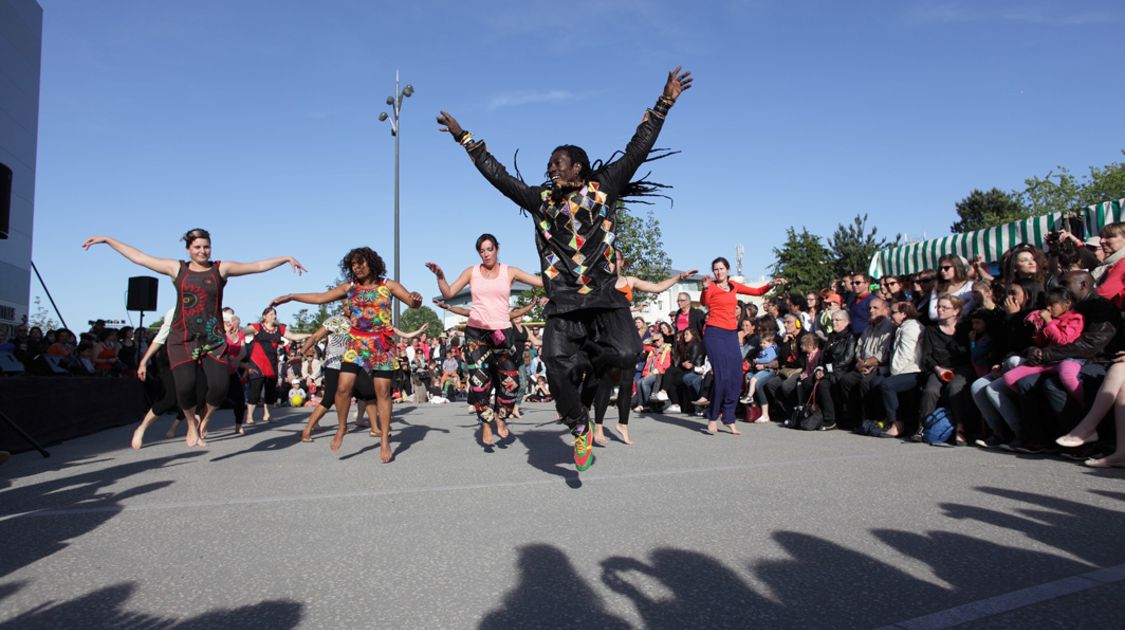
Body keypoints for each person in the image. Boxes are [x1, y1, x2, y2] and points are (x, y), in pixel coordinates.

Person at [436, 66, 692, 470]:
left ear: (578, 167)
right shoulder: (541, 200)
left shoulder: (603, 187)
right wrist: (465, 139)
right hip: (564, 302)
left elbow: (636, 149)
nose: (551, 167)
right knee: (556, 365)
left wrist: (663, 104)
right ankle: (579, 426)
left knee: (627, 353)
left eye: (558, 162)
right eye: (550, 163)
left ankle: (591, 376)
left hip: (606, 299)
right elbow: (499, 177)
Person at [83, 228, 304, 447]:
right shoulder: (177, 268)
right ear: (188, 249)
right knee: (185, 388)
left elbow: (255, 266)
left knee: (219, 387)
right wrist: (108, 240)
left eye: (206, 247)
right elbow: (140, 258)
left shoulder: (220, 269)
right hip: (183, 338)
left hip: (213, 338)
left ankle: (204, 420)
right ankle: (190, 424)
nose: (202, 251)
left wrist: (285, 258)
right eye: (197, 247)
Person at [272, 247, 422, 463]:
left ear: (372, 263)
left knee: (383, 392)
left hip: (381, 344)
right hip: (357, 343)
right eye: (353, 264)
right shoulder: (350, 287)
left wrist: (416, 298)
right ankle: (342, 426)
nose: (357, 267)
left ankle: (384, 441)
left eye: (361, 263)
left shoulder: (387, 285)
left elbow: (412, 302)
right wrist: (292, 296)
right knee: (342, 389)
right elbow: (321, 298)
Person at [426, 234, 544, 447]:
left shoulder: (510, 271)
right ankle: (486, 423)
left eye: (489, 249)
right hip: (477, 333)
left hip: (501, 332)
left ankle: (500, 417)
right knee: (480, 384)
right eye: (482, 250)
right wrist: (440, 276)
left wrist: (561, 270)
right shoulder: (472, 272)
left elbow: (542, 281)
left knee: (511, 383)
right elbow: (449, 292)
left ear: (497, 249)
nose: (486, 253)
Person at [699, 256, 780, 434]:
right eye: (715, 269)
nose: (718, 272)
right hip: (714, 333)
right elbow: (705, 302)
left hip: (730, 333)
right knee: (721, 376)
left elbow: (758, 292)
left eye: (721, 269)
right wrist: (705, 289)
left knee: (736, 376)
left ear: (727, 270)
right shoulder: (711, 286)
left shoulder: (734, 286)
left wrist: (771, 284)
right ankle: (712, 417)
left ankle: (728, 417)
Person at [243, 306, 309, 425]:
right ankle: (249, 416)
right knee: (255, 389)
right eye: (271, 314)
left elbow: (293, 336)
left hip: (272, 362)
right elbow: (241, 331)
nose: (274, 316)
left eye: (274, 314)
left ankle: (267, 415)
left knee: (270, 390)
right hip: (257, 362)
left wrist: (309, 335)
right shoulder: (257, 327)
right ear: (265, 316)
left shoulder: (279, 329)